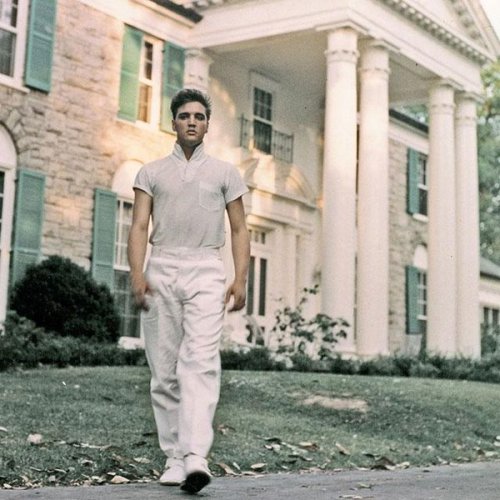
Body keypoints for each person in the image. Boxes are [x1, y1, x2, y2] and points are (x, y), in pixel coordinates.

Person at [127, 88, 250, 494]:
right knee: (164, 371)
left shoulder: (225, 173)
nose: (192, 121)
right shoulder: (151, 172)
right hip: (161, 266)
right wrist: (136, 274)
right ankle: (174, 457)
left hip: (205, 269)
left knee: (199, 362)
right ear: (174, 122)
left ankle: (196, 456)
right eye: (184, 116)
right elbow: (140, 227)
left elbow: (239, 228)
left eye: (199, 115)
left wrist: (240, 278)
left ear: (208, 124)